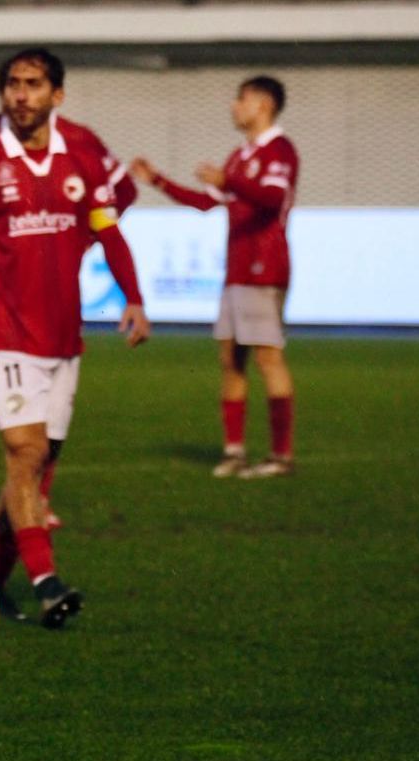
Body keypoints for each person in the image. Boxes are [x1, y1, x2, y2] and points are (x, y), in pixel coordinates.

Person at [0, 48, 152, 628]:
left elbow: (110, 231)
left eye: (33, 85)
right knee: (26, 453)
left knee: (35, 464)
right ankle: (47, 581)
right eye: (12, 84)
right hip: (3, 332)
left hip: (63, 337)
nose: (20, 94)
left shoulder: (81, 156)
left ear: (57, 95)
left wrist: (133, 297)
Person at [132, 76, 299, 479]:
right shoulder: (241, 156)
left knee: (267, 356)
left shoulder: (279, 150)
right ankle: (235, 451)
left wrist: (231, 182)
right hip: (237, 269)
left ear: (262, 104)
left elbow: (273, 198)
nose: (233, 106)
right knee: (231, 358)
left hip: (264, 267)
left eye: (240, 99)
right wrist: (158, 180)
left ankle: (281, 456)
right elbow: (208, 203)